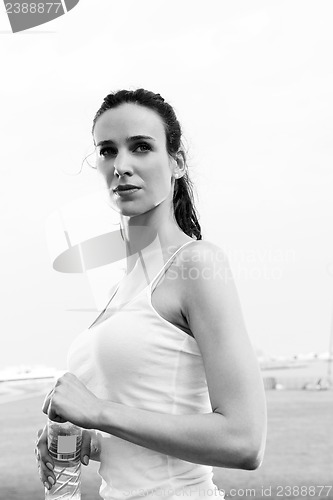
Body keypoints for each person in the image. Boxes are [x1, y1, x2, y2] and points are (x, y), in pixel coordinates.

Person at [35, 88, 267, 499]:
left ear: (176, 163)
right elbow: (155, 429)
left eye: (140, 147)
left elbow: (244, 441)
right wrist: (95, 442)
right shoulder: (121, 286)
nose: (121, 165)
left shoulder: (196, 264)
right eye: (107, 151)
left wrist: (99, 413)